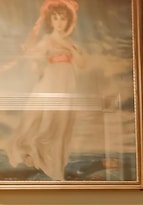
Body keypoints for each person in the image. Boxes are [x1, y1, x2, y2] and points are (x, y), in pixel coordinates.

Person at [5, 0, 84, 181]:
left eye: (62, 18)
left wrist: (71, 49)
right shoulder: (48, 40)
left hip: (67, 84)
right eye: (55, 18)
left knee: (62, 125)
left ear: (68, 20)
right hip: (51, 82)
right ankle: (41, 159)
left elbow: (82, 63)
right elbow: (35, 57)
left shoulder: (69, 41)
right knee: (48, 123)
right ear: (50, 20)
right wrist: (38, 69)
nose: (58, 22)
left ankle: (56, 167)